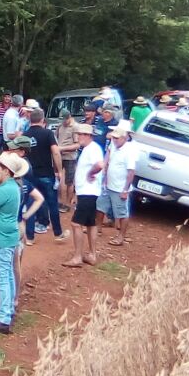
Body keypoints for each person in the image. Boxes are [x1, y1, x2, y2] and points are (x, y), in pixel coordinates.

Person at [0, 153, 43, 334]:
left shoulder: (5, 189)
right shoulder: (14, 186)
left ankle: (4, 318)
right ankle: (7, 309)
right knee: (7, 275)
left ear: (7, 171)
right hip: (8, 236)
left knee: (2, 277)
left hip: (1, 239)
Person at [64, 123, 104, 268]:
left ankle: (77, 257)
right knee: (90, 224)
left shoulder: (92, 149)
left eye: (81, 134)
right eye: (78, 134)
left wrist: (91, 173)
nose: (78, 137)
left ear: (88, 136)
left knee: (76, 223)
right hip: (87, 192)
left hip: (88, 192)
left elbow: (100, 165)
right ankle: (92, 255)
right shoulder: (89, 149)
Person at [22, 108, 64, 244]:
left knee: (31, 204)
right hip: (46, 174)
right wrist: (59, 170)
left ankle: (29, 237)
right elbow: (56, 152)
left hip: (29, 175)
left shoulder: (25, 135)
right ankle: (58, 233)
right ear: (42, 119)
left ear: (30, 119)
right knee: (52, 204)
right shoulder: (48, 133)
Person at [99, 122, 138, 246]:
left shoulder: (129, 151)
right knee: (100, 206)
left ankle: (121, 236)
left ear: (124, 137)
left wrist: (125, 190)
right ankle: (97, 228)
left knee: (122, 213)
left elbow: (131, 172)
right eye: (114, 138)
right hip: (109, 184)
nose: (114, 140)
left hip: (119, 187)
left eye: (116, 138)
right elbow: (108, 159)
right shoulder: (114, 145)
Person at [55, 108, 78, 212]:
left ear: (69, 117)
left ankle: (68, 203)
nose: (63, 122)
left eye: (64, 119)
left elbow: (77, 145)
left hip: (70, 157)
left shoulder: (75, 127)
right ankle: (60, 202)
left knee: (69, 181)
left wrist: (62, 148)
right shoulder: (60, 126)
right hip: (59, 156)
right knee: (58, 178)